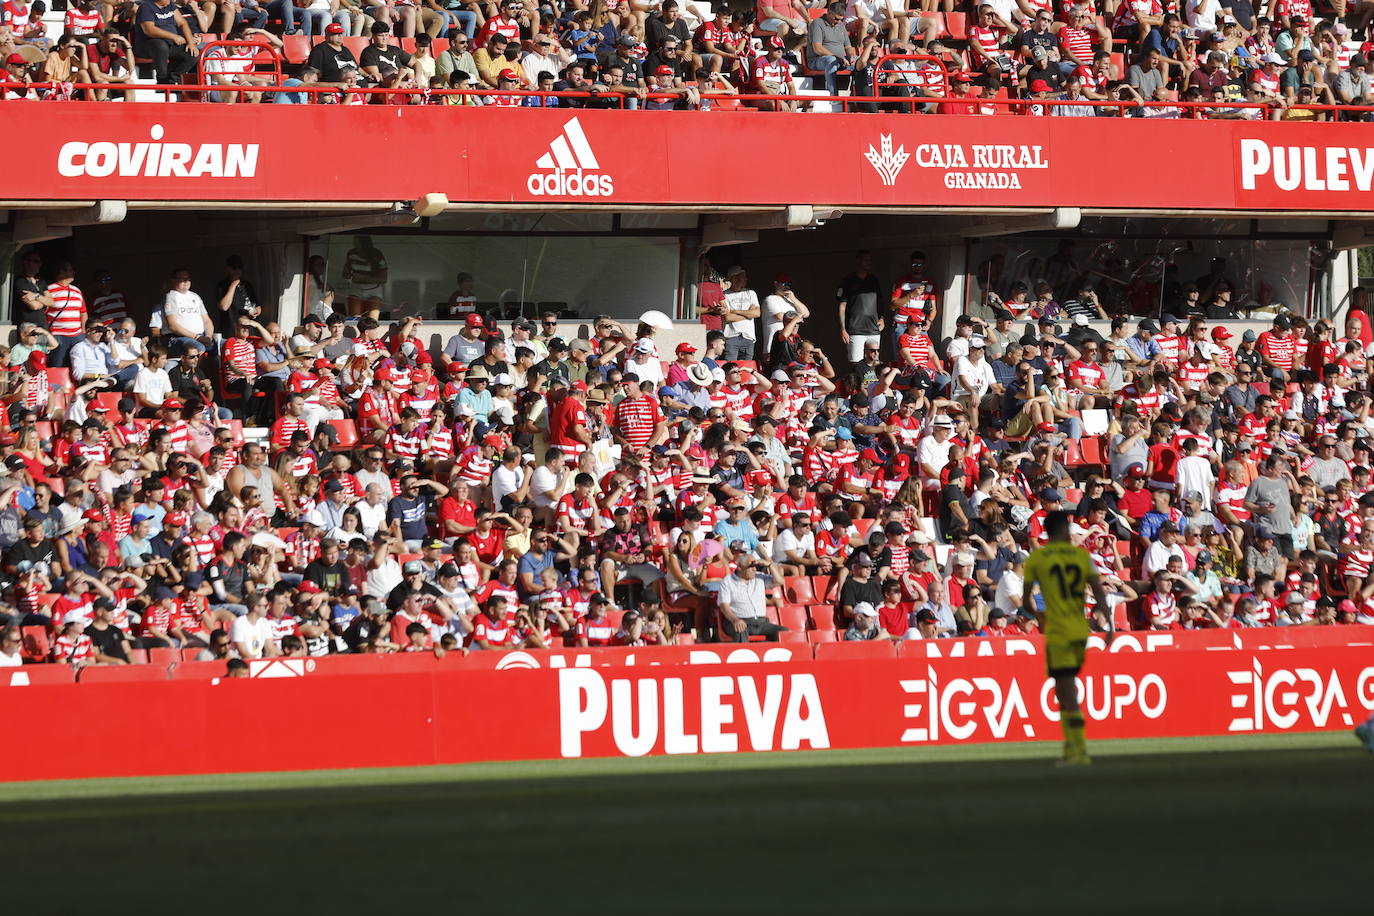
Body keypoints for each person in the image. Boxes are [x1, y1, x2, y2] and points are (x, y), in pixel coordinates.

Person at [1021, 510, 1110, 766]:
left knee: (1066, 692)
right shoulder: (1082, 556)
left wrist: (1040, 617)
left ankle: (1077, 750)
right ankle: (1072, 748)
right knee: (1065, 690)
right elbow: (1099, 592)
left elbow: (1027, 599)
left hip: (1059, 629)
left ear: (1048, 532)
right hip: (1079, 627)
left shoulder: (1038, 559)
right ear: (1065, 530)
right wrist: (1111, 624)